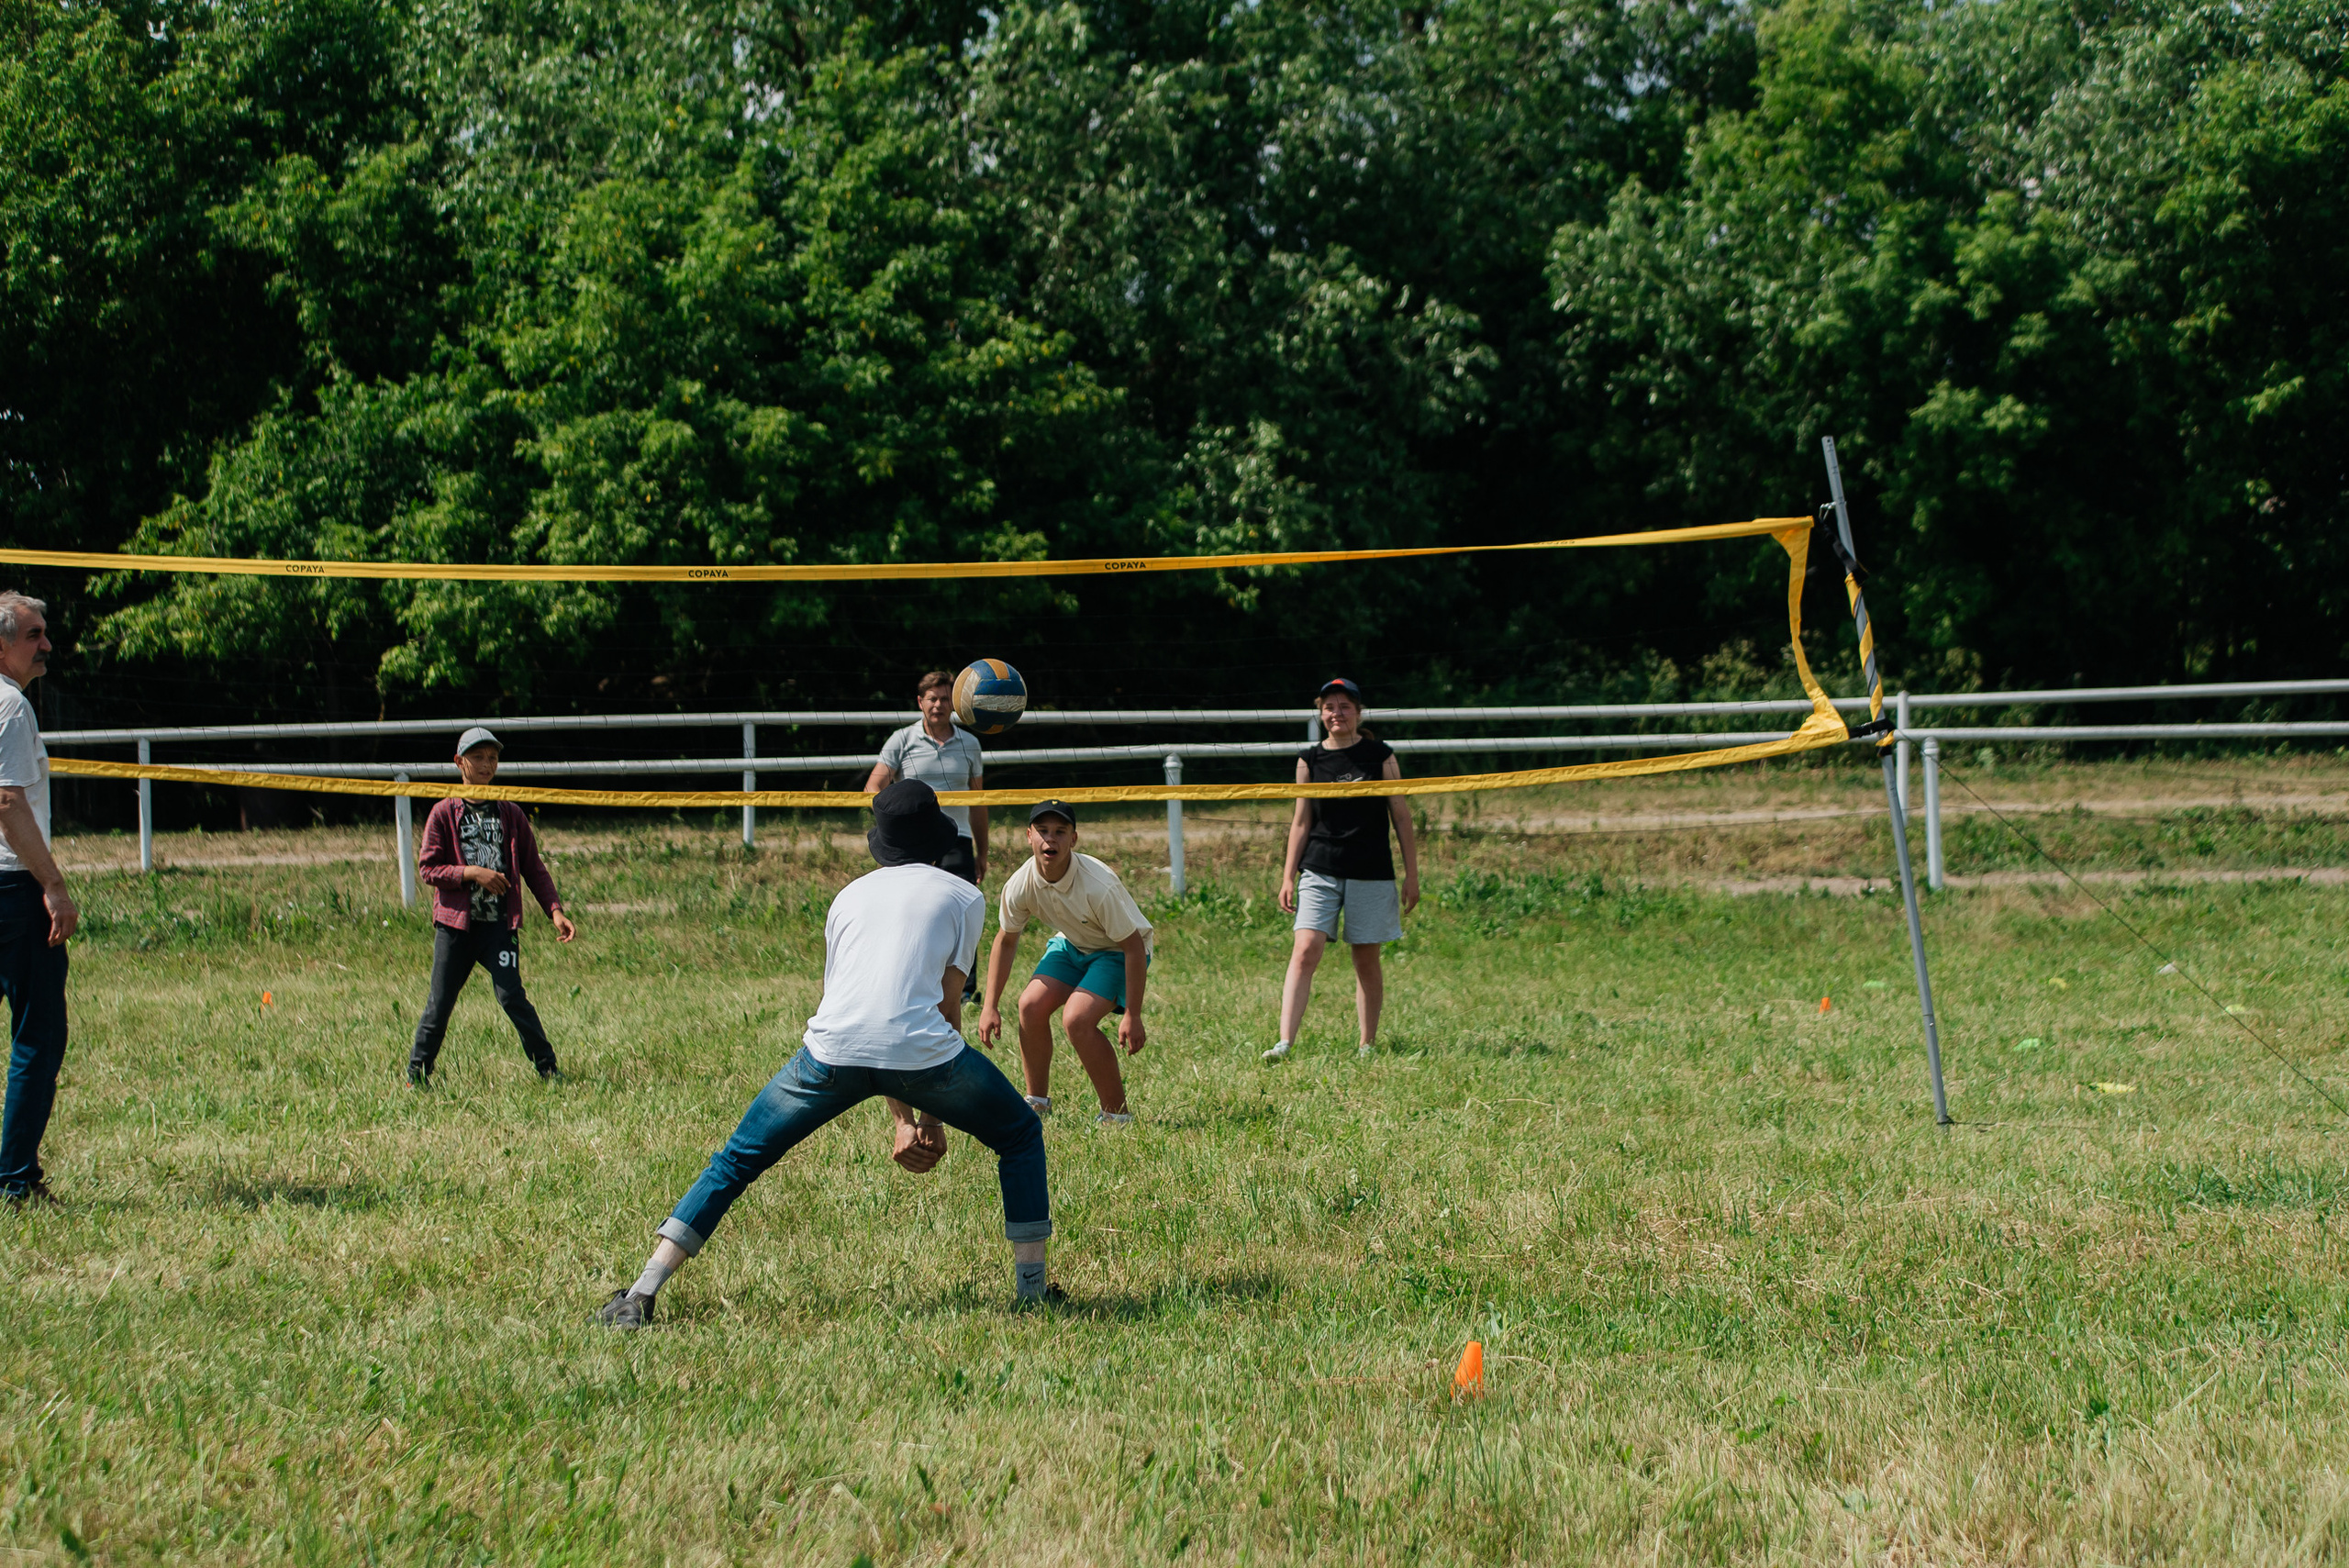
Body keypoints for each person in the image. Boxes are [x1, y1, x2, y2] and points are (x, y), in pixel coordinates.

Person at [596, 781, 1055, 1327]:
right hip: (923, 1054)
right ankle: (1032, 1296)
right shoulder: (964, 896)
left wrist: (904, 1122)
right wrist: (929, 1116)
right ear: (938, 841)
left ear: (881, 843)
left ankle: (643, 1291)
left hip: (830, 1051)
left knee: (737, 1160)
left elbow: (860, 1010)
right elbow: (943, 1010)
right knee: (1020, 1135)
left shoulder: (848, 897)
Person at [408, 728, 577, 1085]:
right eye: (478, 757)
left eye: (493, 758)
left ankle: (548, 1069)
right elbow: (428, 868)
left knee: (512, 997)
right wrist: (472, 873)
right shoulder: (443, 813)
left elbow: (534, 867)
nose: (487, 765)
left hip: (499, 927)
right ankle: (416, 1075)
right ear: (459, 763)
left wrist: (555, 911)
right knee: (440, 1003)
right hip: (455, 928)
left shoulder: (510, 814)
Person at [1265, 677, 1419, 1062]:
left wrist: (1412, 874)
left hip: (1371, 869)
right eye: (1329, 707)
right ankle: (1285, 1043)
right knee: (1305, 949)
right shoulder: (1309, 759)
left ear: (1358, 712)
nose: (1337, 713)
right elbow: (1301, 821)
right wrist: (1288, 876)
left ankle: (1367, 1044)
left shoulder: (1381, 755)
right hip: (1319, 867)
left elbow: (1401, 816)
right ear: (1321, 714)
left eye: (1344, 706)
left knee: (1365, 957)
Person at [977, 800, 1150, 1125]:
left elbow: (1133, 946)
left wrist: (1134, 1014)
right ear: (1028, 836)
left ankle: (1116, 1114)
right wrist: (990, 1005)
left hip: (1117, 950)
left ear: (1074, 839)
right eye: (1042, 831)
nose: (1050, 840)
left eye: (1060, 832)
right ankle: (1037, 1104)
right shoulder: (1019, 884)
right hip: (1072, 944)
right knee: (1029, 1005)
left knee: (1077, 1019)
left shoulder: (1098, 885)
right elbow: (1006, 940)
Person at [0, 592, 76, 1207]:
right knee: (38, 1033)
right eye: (34, 634)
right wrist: (52, 884)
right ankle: (17, 1180)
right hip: (12, 889)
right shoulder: (11, 706)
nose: (46, 644)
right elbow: (7, 804)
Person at [865, 671, 988, 886]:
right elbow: (872, 787)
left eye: (945, 699)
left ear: (954, 704)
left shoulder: (970, 744)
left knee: (957, 905)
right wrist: (894, 827)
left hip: (957, 838)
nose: (938, 705)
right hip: (910, 841)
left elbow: (978, 803)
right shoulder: (902, 739)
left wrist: (983, 853)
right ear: (921, 702)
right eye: (933, 698)